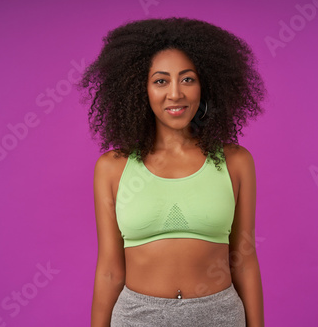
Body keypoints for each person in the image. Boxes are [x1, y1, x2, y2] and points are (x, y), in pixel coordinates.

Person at [79, 17, 267, 327]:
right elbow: (110, 270)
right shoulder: (113, 168)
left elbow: (244, 260)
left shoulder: (235, 162)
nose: (176, 93)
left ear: (205, 85)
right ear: (141, 89)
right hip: (137, 318)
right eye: (161, 80)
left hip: (219, 316)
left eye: (188, 79)